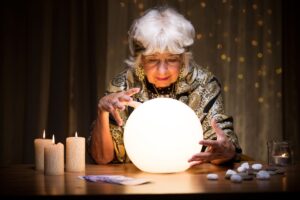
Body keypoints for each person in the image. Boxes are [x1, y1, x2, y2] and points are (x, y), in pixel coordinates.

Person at [88, 6, 242, 165]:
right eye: (152, 59)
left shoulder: (203, 84)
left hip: (192, 180)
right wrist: (102, 112)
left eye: (172, 59)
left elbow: (222, 147)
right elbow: (102, 158)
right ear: (140, 60)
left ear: (183, 58)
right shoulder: (122, 86)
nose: (162, 71)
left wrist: (226, 150)